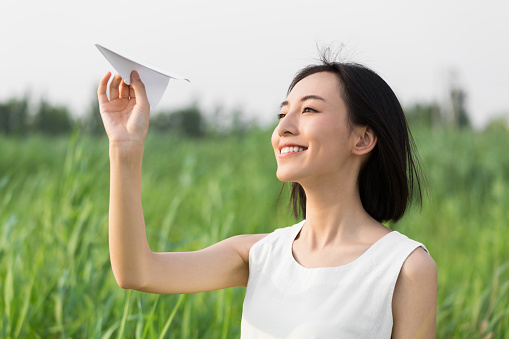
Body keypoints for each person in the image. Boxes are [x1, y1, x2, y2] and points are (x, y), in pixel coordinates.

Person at [97, 55, 437, 338]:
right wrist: (124, 148)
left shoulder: (404, 267)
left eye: (309, 111)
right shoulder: (259, 255)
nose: (283, 127)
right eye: (282, 113)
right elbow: (136, 272)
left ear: (362, 139)